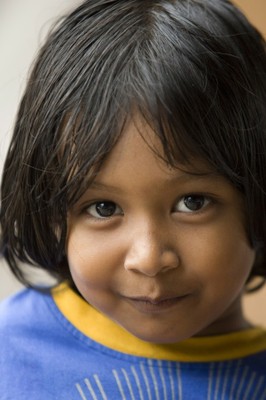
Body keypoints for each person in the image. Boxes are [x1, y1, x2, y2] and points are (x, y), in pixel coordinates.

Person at [0, 0, 265, 398]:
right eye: (103, 208)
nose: (149, 258)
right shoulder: (11, 352)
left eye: (193, 202)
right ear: (52, 211)